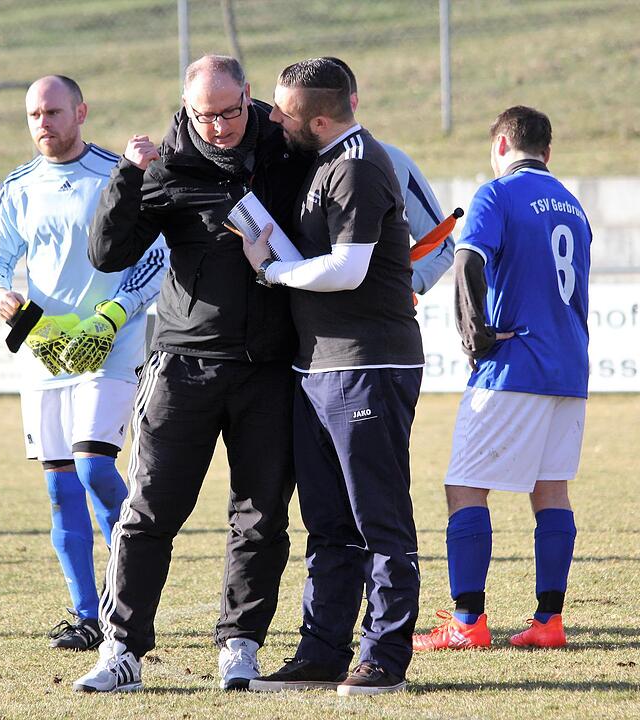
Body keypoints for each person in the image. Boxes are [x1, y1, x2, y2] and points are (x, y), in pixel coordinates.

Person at [71, 55, 312, 693]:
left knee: (261, 515)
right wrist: (126, 175)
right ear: (187, 108)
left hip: (268, 368)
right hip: (184, 364)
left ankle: (241, 644)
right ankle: (121, 648)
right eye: (204, 114)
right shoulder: (169, 163)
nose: (218, 126)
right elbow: (107, 252)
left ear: (249, 98)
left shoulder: (288, 152)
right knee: (150, 511)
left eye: (230, 111)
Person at [242, 58, 424, 696]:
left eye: (282, 111)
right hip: (317, 365)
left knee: (379, 519)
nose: (272, 119)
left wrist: (273, 272)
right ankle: (322, 653)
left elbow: (347, 269)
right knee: (327, 521)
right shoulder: (322, 161)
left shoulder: (357, 166)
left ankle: (384, 658)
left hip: (368, 363)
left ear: (318, 119)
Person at [0, 75, 167, 651]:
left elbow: (156, 257)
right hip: (45, 352)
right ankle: (86, 614)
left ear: (80, 111)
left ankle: (129, 598)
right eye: (34, 114)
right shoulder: (19, 187)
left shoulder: (115, 175)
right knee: (60, 487)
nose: (43, 123)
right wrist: (1, 297)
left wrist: (114, 313)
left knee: (95, 469)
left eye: (54, 111)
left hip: (110, 347)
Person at [412, 106, 592, 652]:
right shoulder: (573, 204)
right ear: (548, 152)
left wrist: (474, 336)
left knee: (464, 485)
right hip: (570, 367)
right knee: (550, 488)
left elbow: (468, 260)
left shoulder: (496, 194)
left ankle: (468, 622)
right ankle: (549, 621)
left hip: (515, 362)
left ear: (500, 146)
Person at [324, 57, 455, 294]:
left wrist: (396, 288)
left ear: (352, 102)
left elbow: (440, 244)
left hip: (383, 322)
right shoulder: (290, 162)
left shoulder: (394, 161)